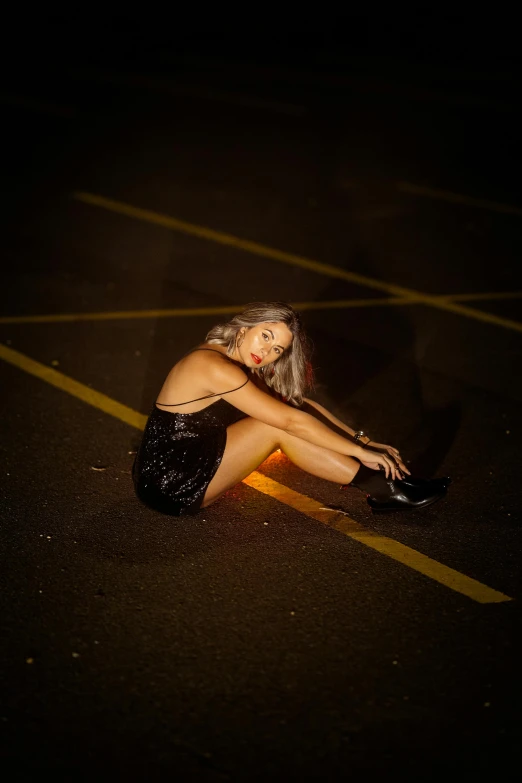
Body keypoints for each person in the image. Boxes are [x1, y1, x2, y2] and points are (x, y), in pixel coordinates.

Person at [133, 302, 449, 516]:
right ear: (246, 327)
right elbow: (289, 422)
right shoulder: (214, 367)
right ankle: (383, 489)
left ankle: (388, 486)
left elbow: (297, 407)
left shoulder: (236, 356)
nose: (266, 352)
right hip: (168, 480)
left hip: (197, 459)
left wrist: (362, 442)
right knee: (275, 426)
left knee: (286, 414)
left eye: (277, 349)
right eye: (265, 336)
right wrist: (363, 454)